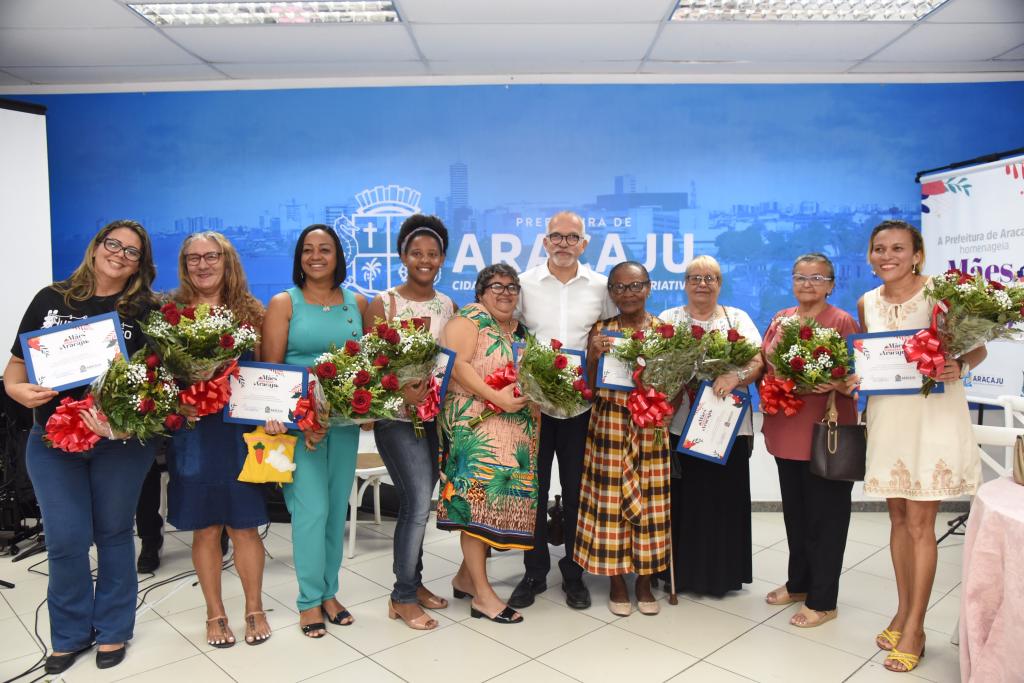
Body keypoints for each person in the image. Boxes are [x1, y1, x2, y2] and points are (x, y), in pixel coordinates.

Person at [4, 220, 158, 673]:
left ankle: (113, 630)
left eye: (131, 251)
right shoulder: (50, 299)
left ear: (140, 265)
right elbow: (15, 368)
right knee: (66, 540)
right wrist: (16, 391)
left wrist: (129, 425)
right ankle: (69, 635)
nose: (119, 254)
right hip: (53, 441)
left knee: (114, 534)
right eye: (113, 244)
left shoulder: (148, 311)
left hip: (119, 444)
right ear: (95, 247)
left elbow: (161, 387)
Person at [857, 220, 984, 673]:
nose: (886, 256)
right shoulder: (866, 302)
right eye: (879, 249)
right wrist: (858, 376)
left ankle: (916, 628)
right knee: (896, 518)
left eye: (897, 248)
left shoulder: (941, 295)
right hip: (888, 417)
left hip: (933, 417)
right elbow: (870, 357)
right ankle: (902, 611)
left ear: (917, 255)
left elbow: (978, 350)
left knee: (919, 524)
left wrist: (959, 365)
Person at [164, 232, 272, 647]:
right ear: (184, 265)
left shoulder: (253, 312)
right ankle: (215, 613)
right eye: (193, 258)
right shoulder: (170, 314)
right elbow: (158, 376)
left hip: (240, 434)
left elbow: (267, 373)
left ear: (227, 262)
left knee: (245, 526)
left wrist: (274, 412)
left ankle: (254, 608)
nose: (203, 264)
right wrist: (177, 401)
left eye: (211, 256)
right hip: (193, 434)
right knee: (205, 528)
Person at [262, 224, 366, 638]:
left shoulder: (357, 303)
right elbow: (272, 372)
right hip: (299, 429)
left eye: (325, 249)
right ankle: (308, 601)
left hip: (343, 425)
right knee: (311, 512)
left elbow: (367, 367)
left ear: (338, 256)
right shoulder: (283, 303)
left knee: (335, 511)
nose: (316, 256)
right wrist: (296, 420)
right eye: (308, 249)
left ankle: (329, 593)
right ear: (299, 258)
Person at [511, 211, 617, 611]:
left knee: (576, 494)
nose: (563, 244)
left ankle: (574, 574)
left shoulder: (601, 287)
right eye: (556, 236)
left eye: (572, 238)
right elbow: (510, 334)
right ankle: (534, 572)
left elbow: (611, 335)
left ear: (584, 244)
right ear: (544, 241)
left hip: (580, 407)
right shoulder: (524, 284)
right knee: (532, 492)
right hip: (534, 408)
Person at [364, 215, 458, 630]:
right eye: (416, 253)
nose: (424, 260)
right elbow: (369, 365)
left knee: (418, 500)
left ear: (442, 259)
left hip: (434, 418)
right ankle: (401, 596)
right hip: (396, 418)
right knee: (419, 501)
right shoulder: (383, 304)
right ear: (403, 256)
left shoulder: (448, 306)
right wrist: (401, 391)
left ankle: (414, 584)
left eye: (432, 254)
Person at [760, 253, 859, 627]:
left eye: (817, 277)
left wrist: (837, 383)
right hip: (786, 430)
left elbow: (859, 375)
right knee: (796, 515)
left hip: (826, 434)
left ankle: (823, 600)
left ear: (831, 284)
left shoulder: (842, 321)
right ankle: (799, 583)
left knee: (826, 519)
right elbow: (764, 363)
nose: (807, 283)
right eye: (800, 276)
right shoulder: (781, 318)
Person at [437, 264, 538, 624]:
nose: (505, 292)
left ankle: (466, 578)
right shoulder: (470, 319)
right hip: (475, 431)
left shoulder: (520, 330)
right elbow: (457, 367)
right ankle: (483, 596)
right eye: (497, 286)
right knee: (475, 509)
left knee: (492, 507)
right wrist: (497, 398)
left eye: (512, 287)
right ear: (481, 291)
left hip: (514, 435)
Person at [659, 255, 764, 596]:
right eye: (695, 278)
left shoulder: (737, 318)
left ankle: (724, 575)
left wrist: (736, 376)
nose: (702, 284)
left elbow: (758, 361)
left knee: (724, 501)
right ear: (685, 284)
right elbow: (654, 366)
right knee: (685, 501)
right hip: (681, 426)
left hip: (728, 428)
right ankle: (682, 574)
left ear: (720, 284)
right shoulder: (669, 319)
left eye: (710, 278)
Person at [576, 261, 670, 616]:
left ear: (648, 287)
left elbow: (675, 382)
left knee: (651, 505)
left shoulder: (664, 331)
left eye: (635, 286)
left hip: (650, 427)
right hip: (610, 424)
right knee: (609, 504)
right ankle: (616, 581)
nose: (627, 294)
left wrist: (666, 406)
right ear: (611, 292)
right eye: (619, 287)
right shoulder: (602, 330)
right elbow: (587, 385)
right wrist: (592, 355)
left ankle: (644, 581)